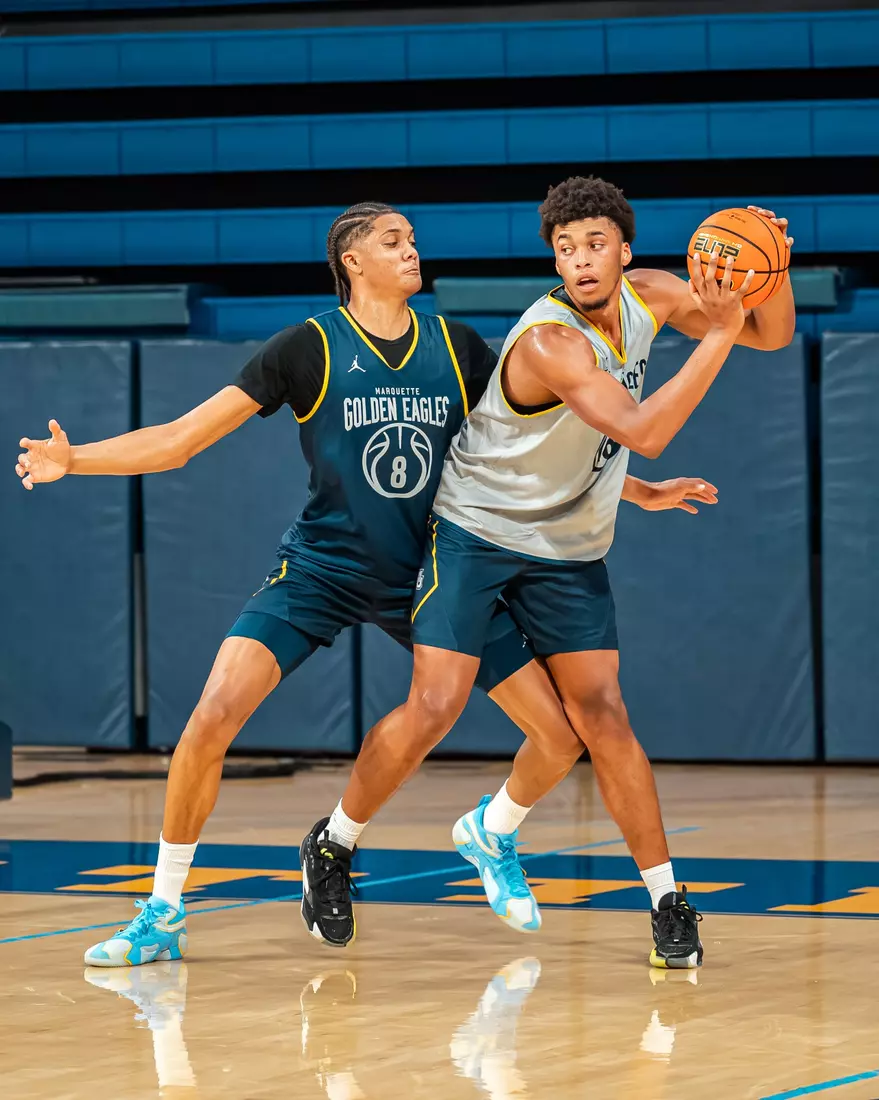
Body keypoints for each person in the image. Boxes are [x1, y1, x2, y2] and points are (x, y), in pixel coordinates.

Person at [13, 201, 628, 963]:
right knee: (210, 719)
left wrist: (633, 489)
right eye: (392, 241)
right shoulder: (305, 348)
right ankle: (162, 912)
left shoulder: (458, 346)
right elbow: (178, 441)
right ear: (352, 261)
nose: (411, 251)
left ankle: (470, 832)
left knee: (559, 736)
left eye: (412, 240)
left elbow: (530, 453)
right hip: (322, 568)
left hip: (433, 572)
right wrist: (77, 459)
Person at [303, 177, 796, 969]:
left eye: (594, 244)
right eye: (565, 249)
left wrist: (770, 270)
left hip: (567, 544)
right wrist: (718, 332)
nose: (580, 260)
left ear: (624, 250)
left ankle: (658, 899)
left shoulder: (650, 294)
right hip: (476, 532)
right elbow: (645, 430)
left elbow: (769, 336)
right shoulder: (549, 341)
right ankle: (333, 842)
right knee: (435, 703)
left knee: (600, 718)